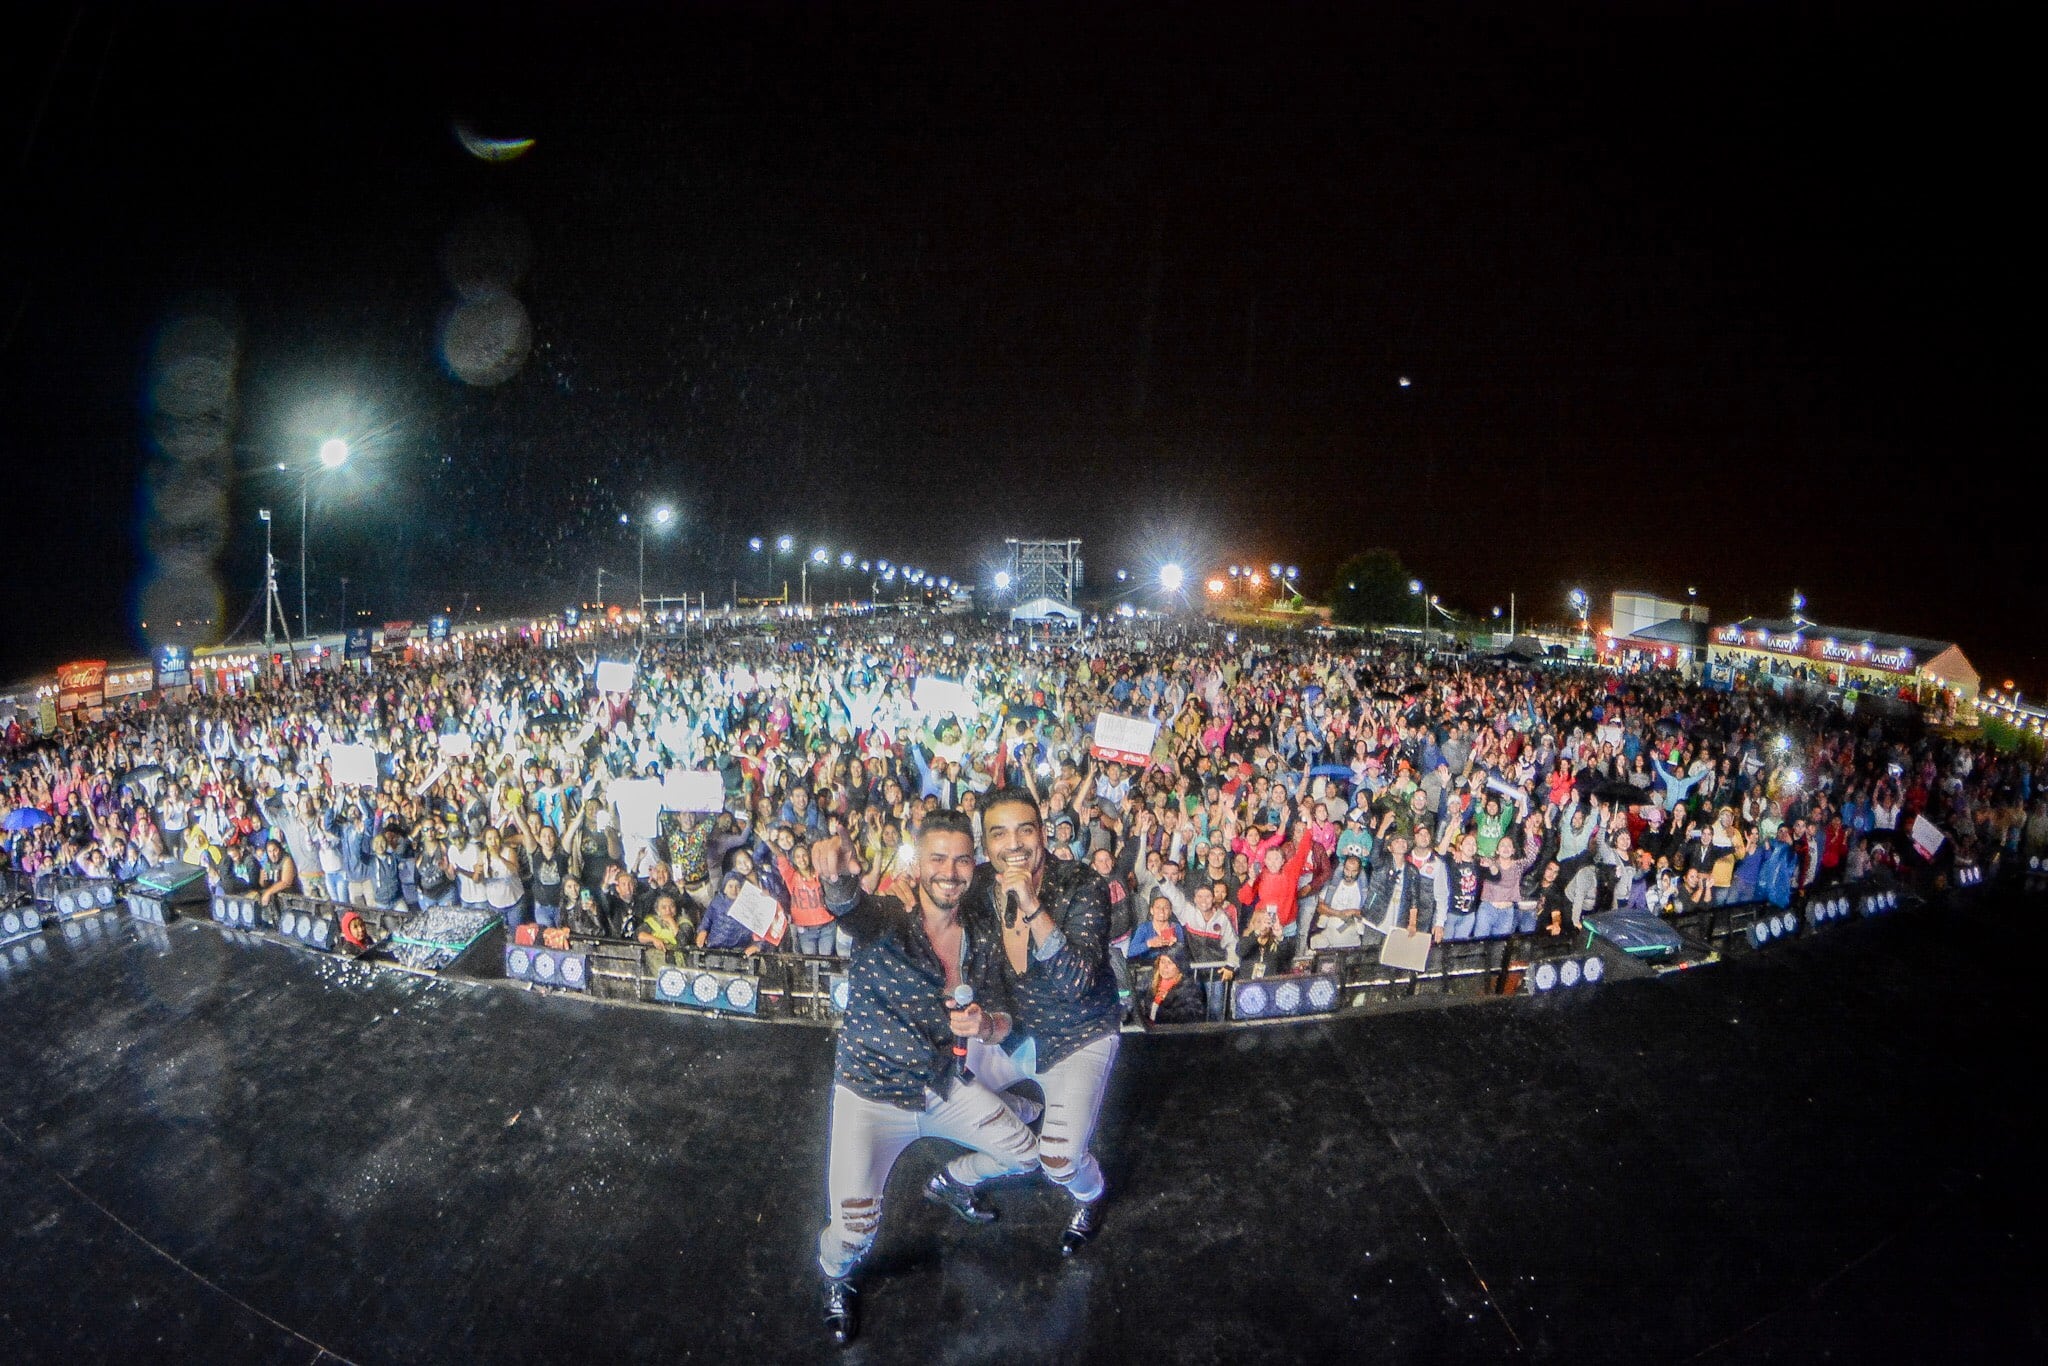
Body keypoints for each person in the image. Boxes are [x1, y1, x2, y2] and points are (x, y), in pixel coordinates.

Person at [808, 818, 1039, 1346]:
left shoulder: (981, 936)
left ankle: (953, 1182)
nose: (950, 872)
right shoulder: (888, 919)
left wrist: (987, 1025)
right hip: (868, 1097)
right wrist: (837, 878)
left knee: (1026, 1156)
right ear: (917, 865)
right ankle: (835, 1278)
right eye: (938, 859)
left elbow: (1002, 1015)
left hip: (941, 1087)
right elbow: (850, 909)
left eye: (961, 860)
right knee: (853, 1234)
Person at [967, 787, 1122, 1256]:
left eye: (1024, 830)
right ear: (986, 844)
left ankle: (1091, 1196)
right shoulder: (975, 889)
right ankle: (1028, 1112)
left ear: (1043, 833)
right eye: (999, 834)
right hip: (1012, 1030)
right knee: (945, 1087)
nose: (1013, 844)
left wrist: (1033, 905)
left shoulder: (1083, 884)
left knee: (1059, 1162)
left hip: (1080, 1034)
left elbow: (1077, 983)